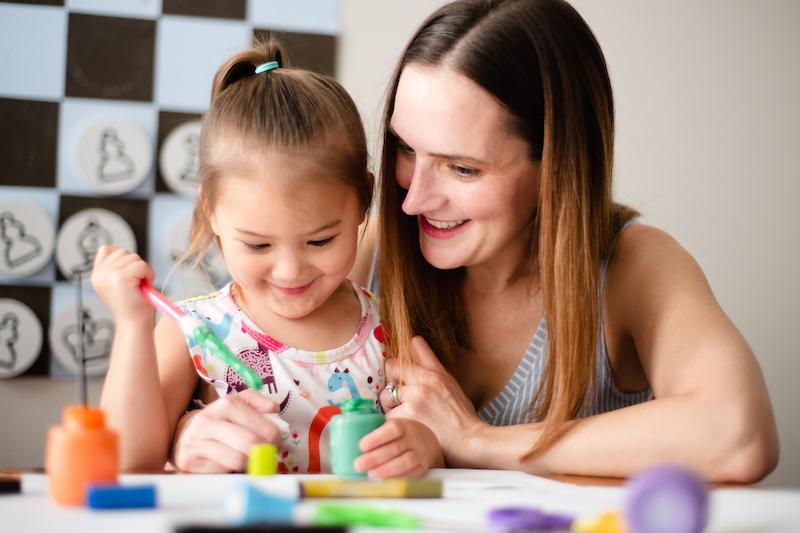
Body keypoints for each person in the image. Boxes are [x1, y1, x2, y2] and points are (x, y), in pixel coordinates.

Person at [356, 0, 779, 482]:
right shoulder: (370, 249)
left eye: (462, 168)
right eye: (408, 149)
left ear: (556, 167)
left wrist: (476, 440)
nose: (412, 201)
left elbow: (739, 435)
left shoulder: (631, 267)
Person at [92, 40, 442, 476]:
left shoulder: (394, 327)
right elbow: (127, 461)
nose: (290, 271)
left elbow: (438, 438)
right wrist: (131, 326)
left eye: (320, 241)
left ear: (365, 200)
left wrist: (423, 445)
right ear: (211, 212)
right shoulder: (193, 332)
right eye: (258, 245)